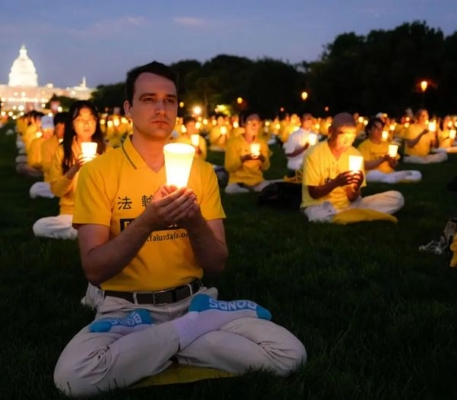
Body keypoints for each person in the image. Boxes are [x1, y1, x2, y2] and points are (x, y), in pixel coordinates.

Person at [53, 62, 306, 397]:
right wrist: (148, 222)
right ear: (128, 108)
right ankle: (192, 332)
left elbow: (216, 264)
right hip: (127, 309)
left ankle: (161, 342)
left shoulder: (200, 172)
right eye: (148, 99)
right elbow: (95, 269)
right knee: (73, 378)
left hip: (193, 299)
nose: (161, 108)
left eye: (169, 100)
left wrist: (193, 220)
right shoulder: (99, 172)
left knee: (290, 355)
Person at [301, 113, 405, 223]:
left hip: (349, 204)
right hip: (320, 205)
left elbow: (352, 197)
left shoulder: (355, 155)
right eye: (343, 134)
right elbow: (313, 194)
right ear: (330, 131)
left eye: (352, 135)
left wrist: (356, 187)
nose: (348, 140)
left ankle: (347, 216)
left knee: (397, 198)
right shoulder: (314, 153)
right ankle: (355, 216)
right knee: (319, 214)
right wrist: (336, 183)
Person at [32, 101, 108, 239]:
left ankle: (88, 232)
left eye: (91, 119)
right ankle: (86, 233)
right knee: (40, 226)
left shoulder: (107, 150)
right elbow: (56, 190)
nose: (86, 124)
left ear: (96, 122)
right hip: (71, 213)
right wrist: (74, 169)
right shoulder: (63, 151)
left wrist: (99, 167)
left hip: (100, 212)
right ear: (72, 124)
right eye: (80, 120)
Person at [358, 117, 421, 184]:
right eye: (377, 129)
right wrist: (383, 159)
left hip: (389, 173)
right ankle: (394, 178)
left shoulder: (387, 145)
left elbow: (395, 165)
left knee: (417, 173)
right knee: (375, 174)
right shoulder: (364, 146)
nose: (380, 132)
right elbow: (366, 165)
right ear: (369, 130)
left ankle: (393, 178)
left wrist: (392, 161)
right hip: (372, 173)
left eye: (381, 129)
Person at [224, 113, 273, 194]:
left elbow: (266, 167)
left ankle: (250, 191)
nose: (254, 125)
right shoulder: (233, 143)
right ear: (244, 124)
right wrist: (243, 159)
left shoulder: (262, 143)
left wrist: (262, 158)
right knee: (229, 190)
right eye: (250, 122)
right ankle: (246, 191)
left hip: (256, 180)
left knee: (270, 188)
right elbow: (229, 167)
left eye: (256, 123)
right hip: (238, 181)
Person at [30, 112, 69, 199]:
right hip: (53, 180)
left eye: (66, 128)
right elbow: (46, 166)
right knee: (35, 188)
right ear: (55, 128)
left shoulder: (74, 143)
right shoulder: (47, 144)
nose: (63, 131)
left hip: (71, 181)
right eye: (60, 128)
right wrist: (62, 169)